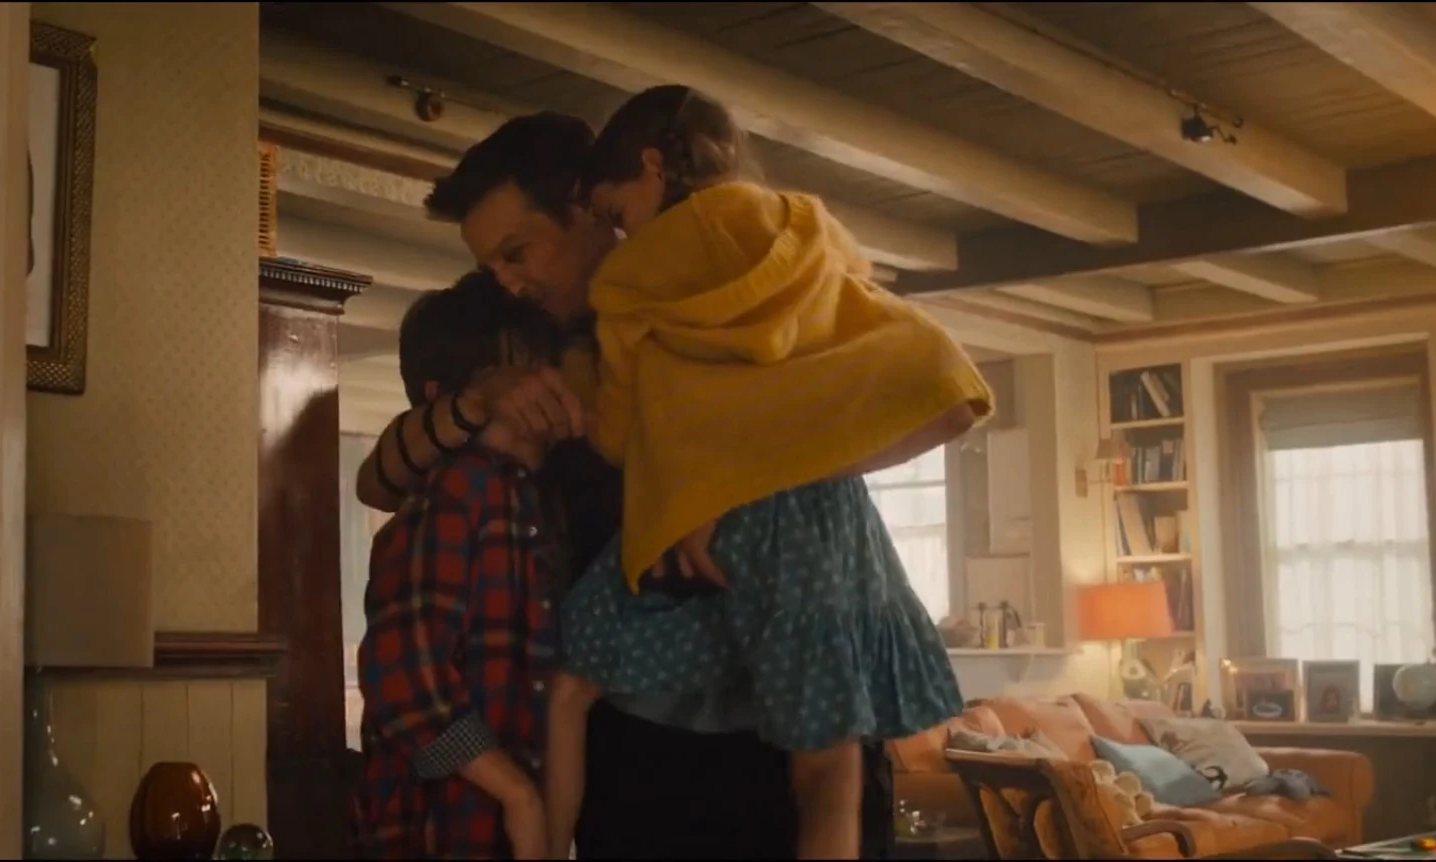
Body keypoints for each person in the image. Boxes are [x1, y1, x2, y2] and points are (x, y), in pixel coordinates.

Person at [352, 111, 905, 858]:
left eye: (519, 251)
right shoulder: (544, 358)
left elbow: (890, 416)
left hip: (781, 734)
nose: (509, 281)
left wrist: (717, 488)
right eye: (493, 267)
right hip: (633, 763)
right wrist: (474, 402)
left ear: (588, 211)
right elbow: (381, 482)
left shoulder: (732, 313)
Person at [538, 84, 987, 859]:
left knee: (574, 680)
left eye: (618, 211)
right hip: (822, 531)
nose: (620, 231)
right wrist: (798, 462)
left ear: (653, 167)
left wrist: (583, 379)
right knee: (828, 764)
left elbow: (618, 436)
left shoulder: (634, 280)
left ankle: (543, 848)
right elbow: (947, 393)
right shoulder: (810, 249)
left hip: (708, 527)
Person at [350, 272, 573, 860]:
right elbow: (401, 673)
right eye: (518, 379)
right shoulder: (462, 487)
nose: (542, 395)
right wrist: (516, 794)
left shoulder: (533, 494)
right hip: (441, 826)